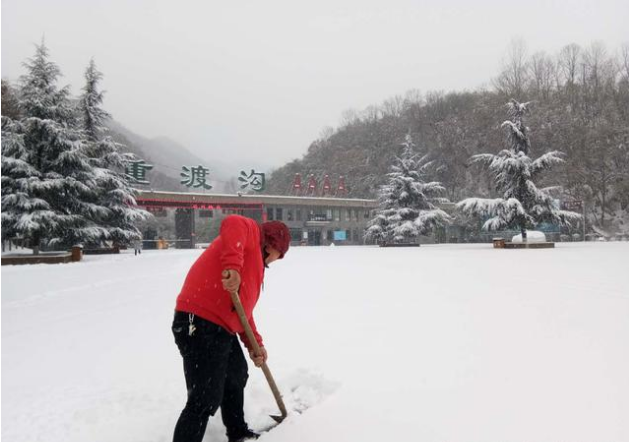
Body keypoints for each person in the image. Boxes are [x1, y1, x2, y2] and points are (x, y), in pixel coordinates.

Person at [171, 215, 290, 442]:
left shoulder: (254, 267)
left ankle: (237, 432)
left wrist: (255, 345)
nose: (273, 261)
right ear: (273, 243)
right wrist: (232, 267)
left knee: (236, 375)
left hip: (219, 328)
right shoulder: (252, 234)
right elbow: (233, 222)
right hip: (198, 321)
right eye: (276, 255)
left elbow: (243, 313)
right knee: (204, 398)